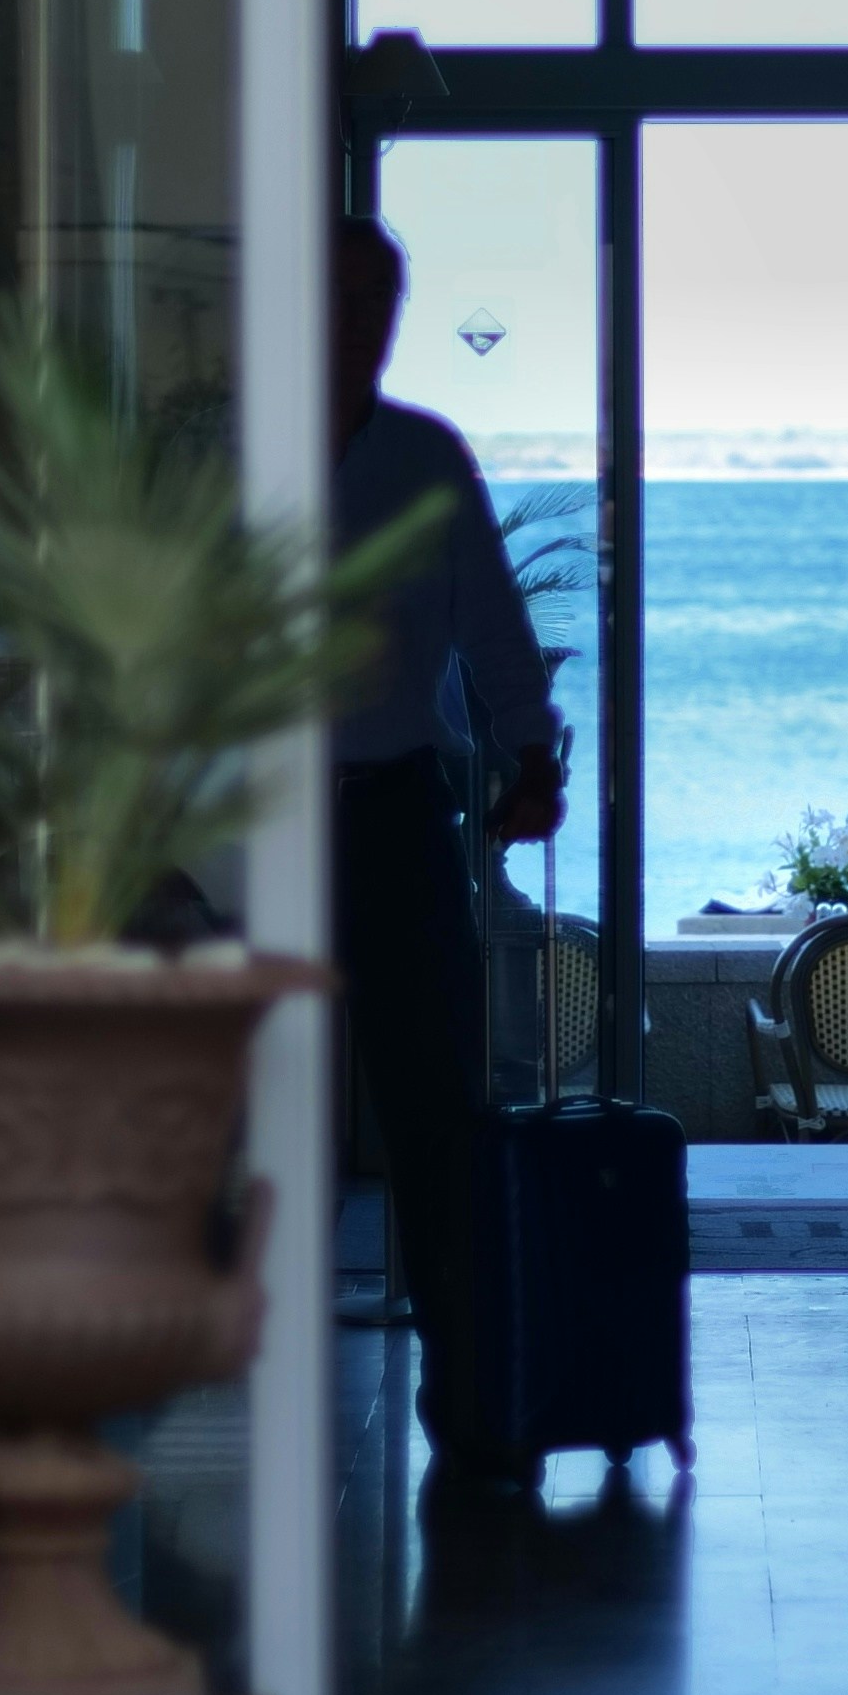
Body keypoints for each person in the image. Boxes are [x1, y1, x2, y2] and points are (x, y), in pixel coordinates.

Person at [329, 215, 566, 1464]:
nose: (362, 318)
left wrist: (534, 759)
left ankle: (473, 1401)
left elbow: (494, 627)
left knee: (440, 1116)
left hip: (391, 811)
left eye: (380, 297)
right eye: (342, 293)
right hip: (254, 828)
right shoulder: (225, 452)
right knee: (210, 1102)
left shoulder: (425, 457)